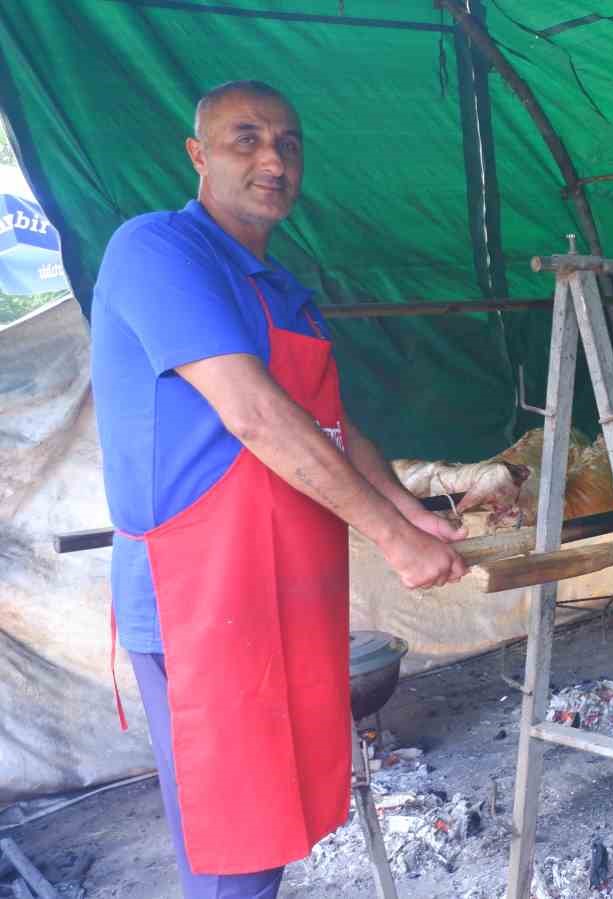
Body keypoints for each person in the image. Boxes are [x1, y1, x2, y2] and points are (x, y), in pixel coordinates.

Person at [90, 80, 467, 897]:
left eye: (289, 143)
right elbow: (256, 412)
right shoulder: (157, 250)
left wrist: (408, 509)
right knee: (235, 839)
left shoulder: (280, 286)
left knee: (277, 820)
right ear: (197, 155)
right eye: (246, 138)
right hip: (198, 594)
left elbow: (326, 423)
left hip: (281, 587)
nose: (273, 158)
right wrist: (394, 543)